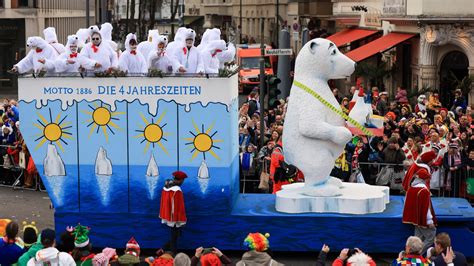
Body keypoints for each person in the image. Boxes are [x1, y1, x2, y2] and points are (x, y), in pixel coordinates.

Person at [402, 150, 438, 255]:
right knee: (431, 236)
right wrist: (430, 221)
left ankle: (411, 253)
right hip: (423, 219)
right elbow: (426, 208)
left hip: (414, 217)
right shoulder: (424, 191)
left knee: (417, 238)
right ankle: (417, 253)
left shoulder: (412, 188)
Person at [160, 171, 188, 255]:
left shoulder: (166, 186)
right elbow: (179, 207)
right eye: (183, 180)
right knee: (174, 238)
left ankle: (163, 249)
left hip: (168, 215)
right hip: (175, 218)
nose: (183, 182)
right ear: (180, 180)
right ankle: (173, 255)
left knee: (175, 236)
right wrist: (182, 221)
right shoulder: (177, 190)